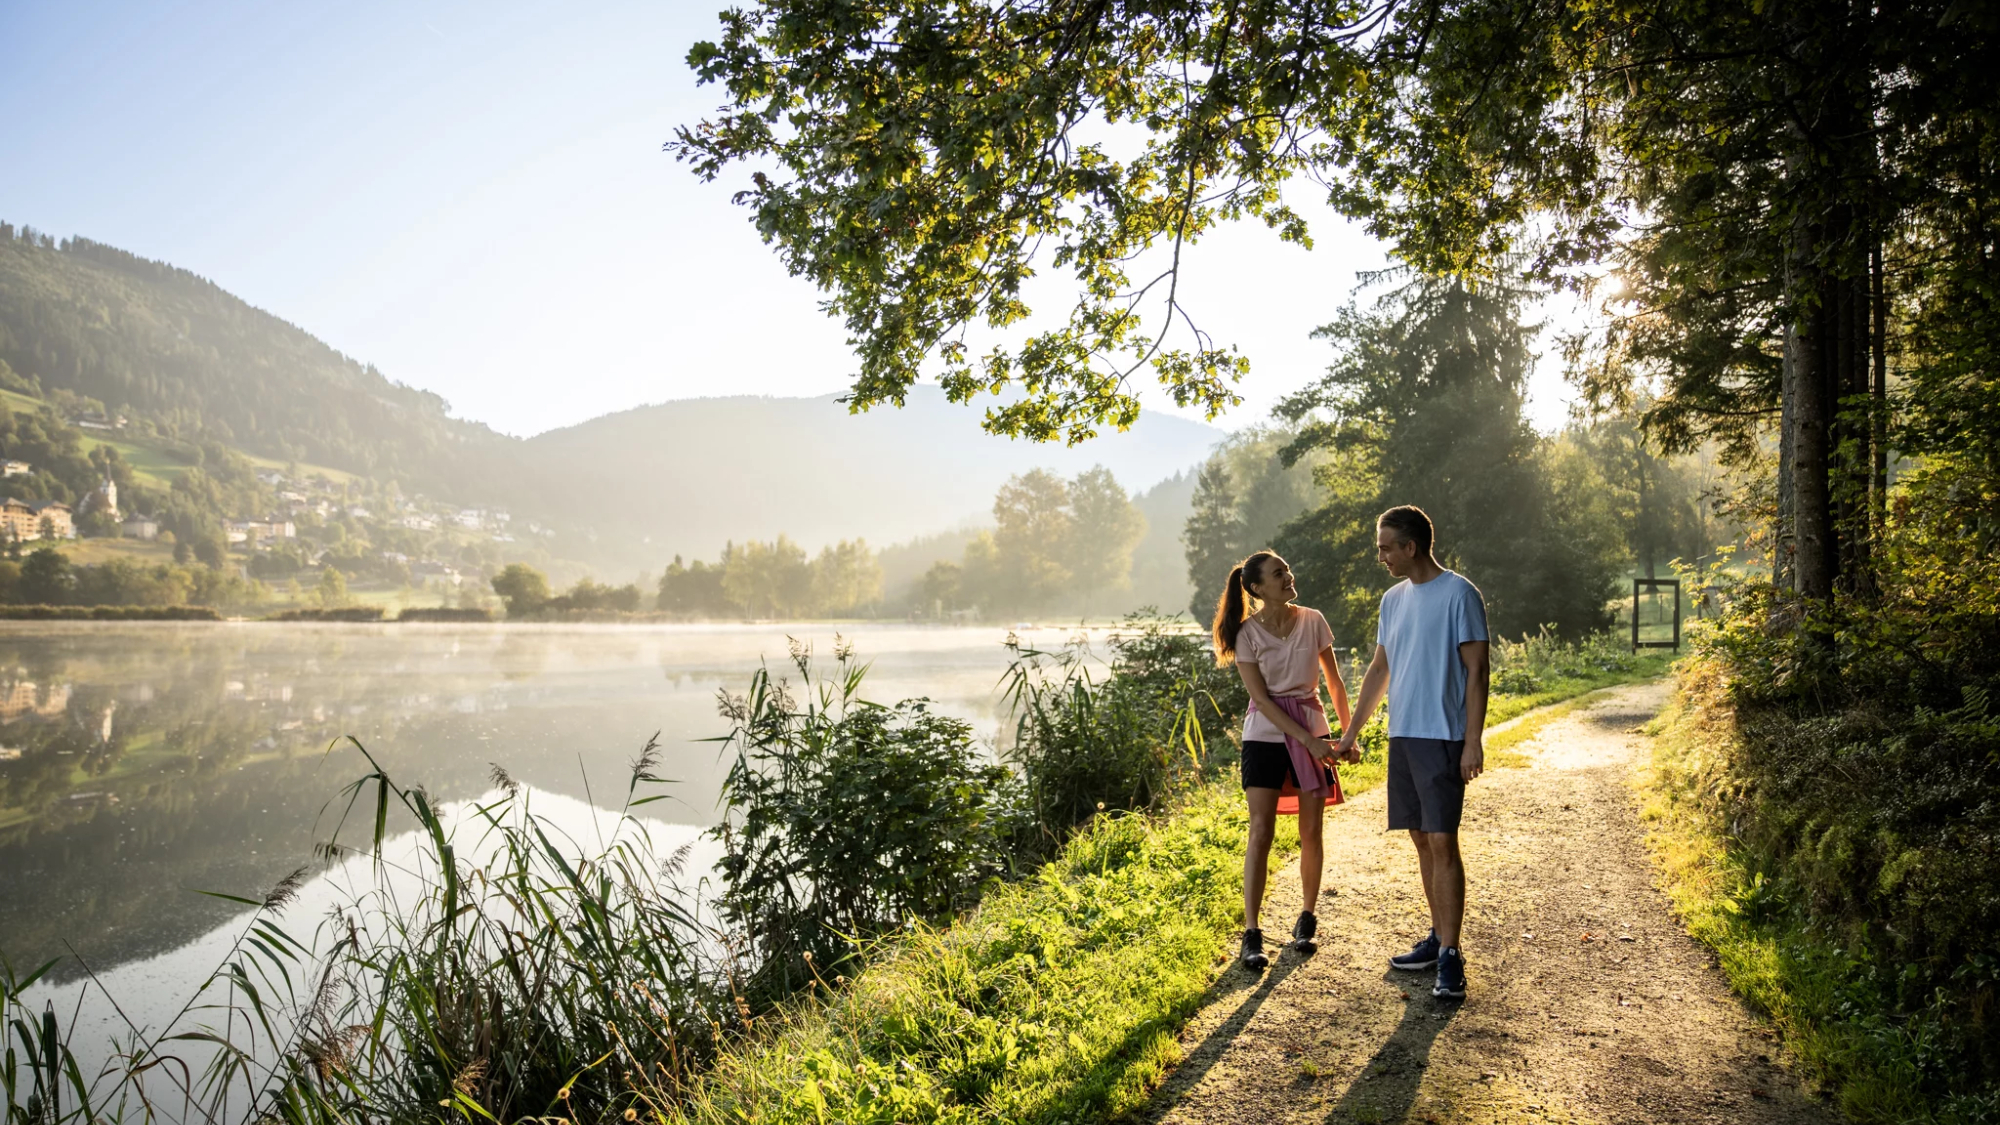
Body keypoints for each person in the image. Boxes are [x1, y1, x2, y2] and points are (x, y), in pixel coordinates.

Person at [1336, 505, 1489, 999]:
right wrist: (1351, 732)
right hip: (1403, 735)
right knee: (1421, 839)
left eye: (1385, 547)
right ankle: (1438, 935)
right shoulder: (1392, 600)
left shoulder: (1460, 594)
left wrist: (1472, 740)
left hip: (1443, 736)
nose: (1379, 555)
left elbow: (1477, 673)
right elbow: (1380, 669)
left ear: (1411, 547)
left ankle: (1451, 955)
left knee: (1443, 843)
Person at [1212, 550, 1356, 971]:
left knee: (1311, 829)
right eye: (1280, 574)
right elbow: (1261, 699)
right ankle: (1252, 932)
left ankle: (1306, 918)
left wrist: (1346, 736)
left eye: (1288, 570)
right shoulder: (1246, 634)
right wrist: (1308, 742)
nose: (1289, 577)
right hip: (1265, 736)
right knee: (1261, 830)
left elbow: (1334, 681)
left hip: (1313, 727)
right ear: (1258, 588)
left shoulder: (1313, 620)